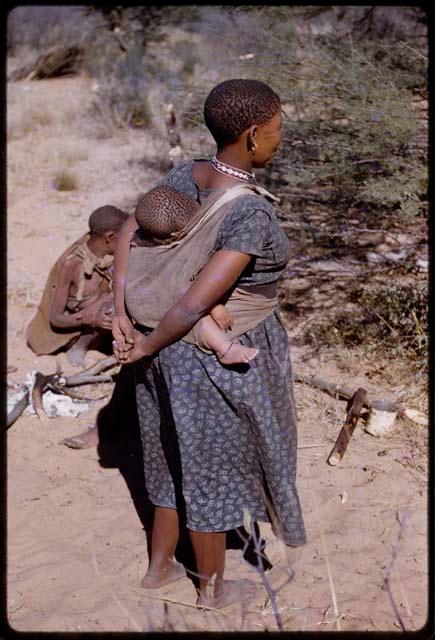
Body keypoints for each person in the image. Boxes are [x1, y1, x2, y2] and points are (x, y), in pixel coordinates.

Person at [112, 78, 307, 609]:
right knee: (208, 466)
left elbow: (130, 229)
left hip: (156, 344)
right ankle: (214, 590)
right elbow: (195, 304)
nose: (277, 141)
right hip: (199, 351)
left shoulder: (187, 173)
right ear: (250, 136)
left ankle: (160, 569)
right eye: (274, 132)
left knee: (167, 453)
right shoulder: (249, 212)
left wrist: (122, 313)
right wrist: (150, 345)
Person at [132, 185, 259, 364]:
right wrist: (214, 307)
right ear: (177, 235)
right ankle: (225, 349)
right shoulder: (174, 253)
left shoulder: (142, 240)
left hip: (145, 297)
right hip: (162, 299)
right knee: (196, 314)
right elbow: (189, 289)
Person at [26, 205, 129, 367]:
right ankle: (80, 346)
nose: (126, 243)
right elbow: (56, 318)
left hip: (103, 314)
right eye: (123, 238)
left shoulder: (108, 256)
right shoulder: (72, 264)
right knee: (111, 311)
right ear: (109, 237)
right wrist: (90, 320)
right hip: (82, 324)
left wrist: (105, 298)